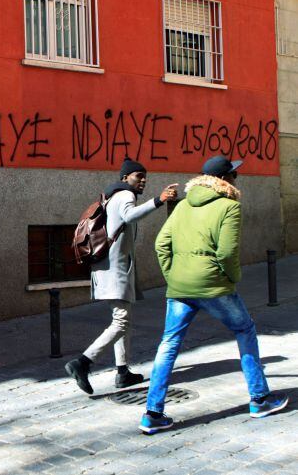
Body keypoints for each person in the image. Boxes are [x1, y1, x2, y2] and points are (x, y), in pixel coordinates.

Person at [139, 155, 289, 434]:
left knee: (168, 344)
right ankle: (259, 399)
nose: (237, 178)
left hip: (180, 286)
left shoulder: (183, 205)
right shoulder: (229, 206)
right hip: (214, 285)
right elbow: (227, 252)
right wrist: (232, 278)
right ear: (225, 179)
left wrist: (173, 275)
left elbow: (162, 244)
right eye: (234, 174)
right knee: (245, 329)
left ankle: (152, 414)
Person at [65, 158, 178, 394]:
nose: (143, 180)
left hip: (109, 268)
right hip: (114, 270)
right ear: (125, 178)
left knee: (122, 320)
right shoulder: (125, 195)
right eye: (138, 176)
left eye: (144, 176)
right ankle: (83, 362)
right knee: (121, 321)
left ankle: (123, 372)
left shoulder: (112, 196)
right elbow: (129, 216)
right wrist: (158, 201)